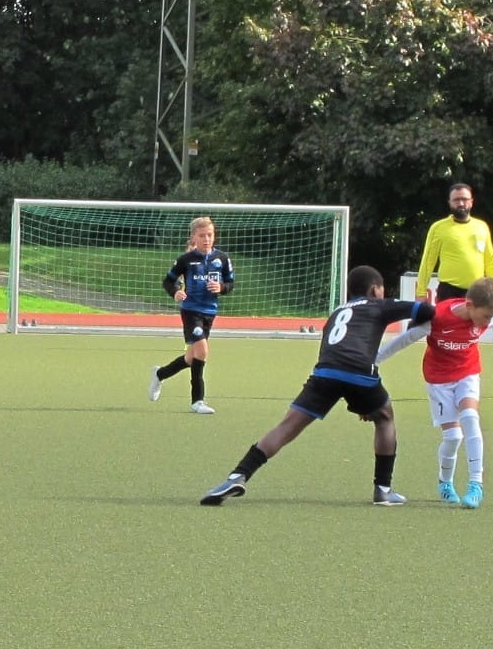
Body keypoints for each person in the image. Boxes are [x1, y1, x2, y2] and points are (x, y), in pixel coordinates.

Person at [201, 266, 434, 506]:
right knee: (385, 418)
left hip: (325, 372)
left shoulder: (337, 312)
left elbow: (336, 349)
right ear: (375, 290)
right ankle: (383, 490)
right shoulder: (379, 305)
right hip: (359, 373)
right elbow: (427, 311)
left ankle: (238, 475)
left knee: (286, 426)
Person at [376, 276, 493, 509]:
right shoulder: (437, 318)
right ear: (470, 305)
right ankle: (445, 482)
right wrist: (374, 360)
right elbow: (404, 340)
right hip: (439, 379)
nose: (488, 322)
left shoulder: (486, 317)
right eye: (486, 316)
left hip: (467, 373)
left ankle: (476, 484)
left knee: (470, 418)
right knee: (453, 437)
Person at [148, 216, 234, 415]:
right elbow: (168, 281)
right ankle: (197, 401)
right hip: (191, 311)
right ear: (194, 237)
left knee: (191, 357)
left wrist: (221, 287)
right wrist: (175, 292)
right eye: (202, 235)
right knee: (202, 351)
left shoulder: (222, 259)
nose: (206, 239)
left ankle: (159, 374)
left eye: (210, 235)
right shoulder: (186, 260)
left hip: (210, 312)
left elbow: (230, 283)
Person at [415, 182, 493, 304]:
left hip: (477, 291)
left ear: (471, 202)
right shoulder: (438, 228)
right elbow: (428, 262)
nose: (461, 203)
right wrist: (421, 292)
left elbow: (490, 260)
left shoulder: (481, 226)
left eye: (464, 199)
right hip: (449, 291)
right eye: (456, 200)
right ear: (449, 202)